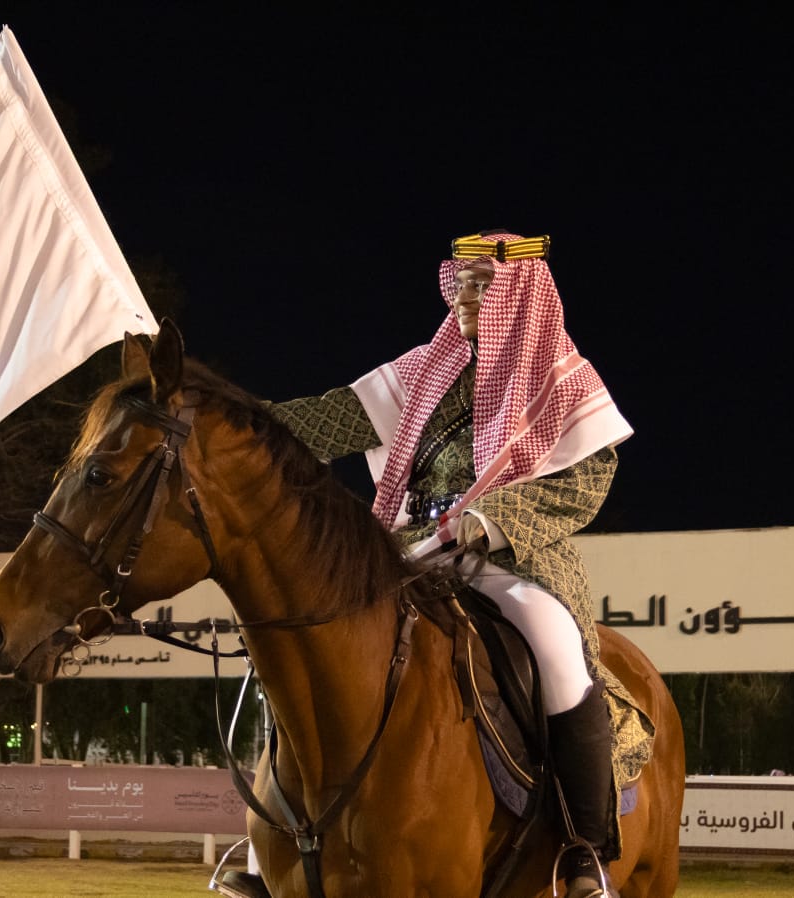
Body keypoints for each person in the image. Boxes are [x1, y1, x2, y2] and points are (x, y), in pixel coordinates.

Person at [222, 231, 632, 898]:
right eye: (459, 281)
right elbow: (325, 422)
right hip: (406, 551)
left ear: (518, 291)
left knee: (554, 646)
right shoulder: (422, 371)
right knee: (312, 644)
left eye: (481, 283)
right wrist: (234, 421)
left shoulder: (561, 378)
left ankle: (583, 847)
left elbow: (585, 480)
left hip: (510, 558)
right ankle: (279, 836)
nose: (464, 295)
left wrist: (489, 520)